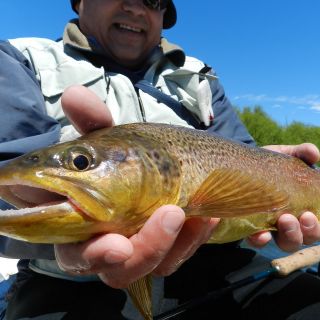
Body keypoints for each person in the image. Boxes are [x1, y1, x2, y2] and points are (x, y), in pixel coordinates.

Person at [0, 1, 320, 319]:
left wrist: (277, 168)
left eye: (153, 2)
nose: (137, 9)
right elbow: (12, 179)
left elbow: (242, 152)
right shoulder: (19, 58)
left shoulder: (199, 76)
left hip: (218, 264)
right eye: (82, 162)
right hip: (65, 282)